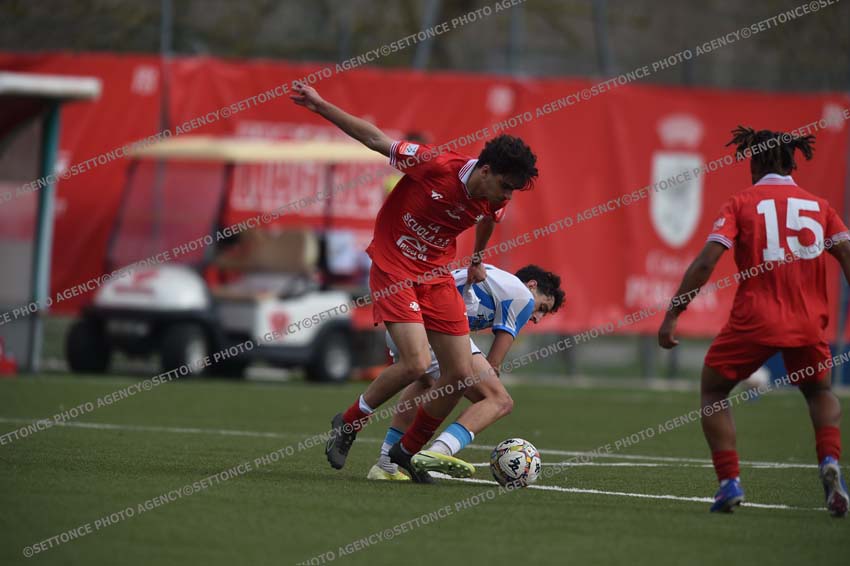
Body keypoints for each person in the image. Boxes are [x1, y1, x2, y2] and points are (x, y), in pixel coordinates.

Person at [289, 83, 539, 480]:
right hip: (395, 267)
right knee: (417, 364)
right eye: (505, 186)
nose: (507, 195)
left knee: (458, 375)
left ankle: (406, 453)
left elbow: (489, 220)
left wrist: (476, 257)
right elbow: (374, 139)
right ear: (485, 170)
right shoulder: (435, 165)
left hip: (436, 275)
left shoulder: (496, 198)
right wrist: (320, 106)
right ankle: (349, 422)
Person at [658, 126, 850, 517]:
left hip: (753, 322)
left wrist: (674, 311)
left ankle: (729, 482)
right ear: (793, 163)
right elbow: (847, 255)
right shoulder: (820, 207)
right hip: (808, 325)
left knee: (714, 391)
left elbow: (706, 262)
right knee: (819, 392)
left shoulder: (741, 203)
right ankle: (830, 461)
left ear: (755, 163)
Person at [368, 264, 565, 482]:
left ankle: (385, 465)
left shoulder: (497, 281)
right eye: (542, 308)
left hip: (405, 325)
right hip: (429, 326)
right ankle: (437, 452)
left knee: (427, 382)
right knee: (499, 400)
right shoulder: (522, 297)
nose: (537, 318)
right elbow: (494, 364)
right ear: (532, 285)